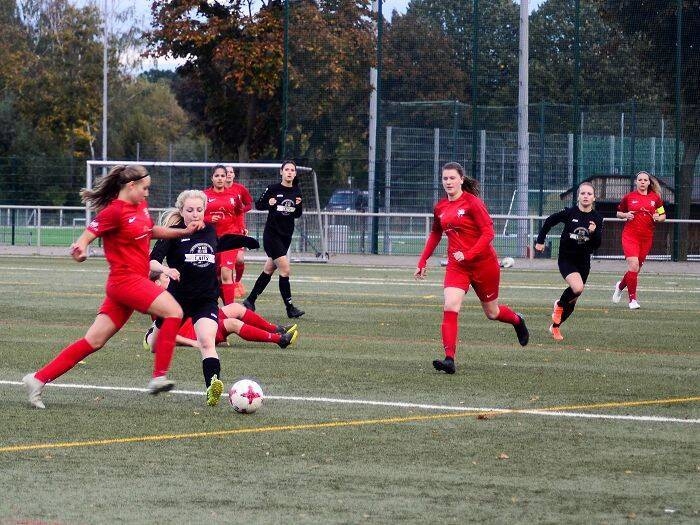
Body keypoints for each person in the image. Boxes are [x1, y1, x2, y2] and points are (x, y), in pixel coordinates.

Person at [22, 165, 202, 409]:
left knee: (93, 341)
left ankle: (37, 379)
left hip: (127, 286)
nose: (147, 193)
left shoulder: (140, 206)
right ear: (131, 186)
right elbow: (87, 236)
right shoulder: (114, 212)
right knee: (174, 311)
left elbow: (150, 231)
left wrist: (183, 232)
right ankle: (159, 376)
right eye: (145, 188)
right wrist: (80, 249)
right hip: (126, 282)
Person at [149, 189, 273, 406]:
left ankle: (212, 387)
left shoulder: (209, 230)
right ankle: (153, 336)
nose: (195, 214)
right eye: (190, 210)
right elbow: (152, 261)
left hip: (205, 300)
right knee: (154, 345)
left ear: (204, 210)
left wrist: (244, 240)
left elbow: (220, 242)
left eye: (199, 209)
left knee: (207, 342)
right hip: (176, 301)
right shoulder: (173, 233)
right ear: (181, 211)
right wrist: (166, 270)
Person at [414, 162, 529, 374]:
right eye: (445, 178)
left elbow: (488, 233)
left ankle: (517, 320)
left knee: (492, 312)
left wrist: (468, 254)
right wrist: (422, 261)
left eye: (452, 178)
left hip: (484, 264)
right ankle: (449, 359)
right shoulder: (440, 207)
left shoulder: (472, 203)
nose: (448, 182)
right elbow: (436, 234)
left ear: (461, 179)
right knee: (450, 305)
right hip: (457, 266)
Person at [144, 269, 298, 351]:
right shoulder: (159, 302)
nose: (170, 278)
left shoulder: (172, 292)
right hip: (194, 331)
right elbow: (163, 334)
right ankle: (279, 340)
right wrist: (194, 343)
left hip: (196, 318)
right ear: (157, 283)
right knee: (233, 323)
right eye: (166, 277)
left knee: (236, 308)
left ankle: (277, 329)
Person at [535, 182, 603, 341]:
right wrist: (540, 240)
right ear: (578, 196)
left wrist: (593, 233)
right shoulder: (569, 212)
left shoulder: (597, 218)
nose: (586, 196)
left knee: (572, 301)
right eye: (583, 193)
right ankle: (559, 304)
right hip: (567, 259)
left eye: (589, 194)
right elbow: (549, 221)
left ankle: (555, 327)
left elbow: (596, 245)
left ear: (594, 198)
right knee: (577, 288)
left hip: (583, 262)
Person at [242, 160, 305, 318]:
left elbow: (297, 214)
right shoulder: (273, 189)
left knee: (269, 269)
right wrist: (269, 203)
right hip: (272, 235)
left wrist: (298, 205)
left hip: (286, 236)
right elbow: (259, 204)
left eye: (292, 170)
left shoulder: (297, 191)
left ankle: (250, 300)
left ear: (295, 173)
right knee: (285, 269)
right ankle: (290, 308)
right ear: (281, 172)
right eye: (287, 169)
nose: (289, 172)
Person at [612, 171, 666, 309]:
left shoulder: (655, 198)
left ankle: (620, 286)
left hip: (646, 238)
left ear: (649, 182)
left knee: (635, 269)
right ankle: (632, 300)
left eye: (645, 180)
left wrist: (658, 218)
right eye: (640, 180)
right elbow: (618, 213)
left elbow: (663, 215)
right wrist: (625, 215)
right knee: (633, 265)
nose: (642, 182)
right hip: (630, 236)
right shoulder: (629, 197)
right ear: (636, 182)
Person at [203, 165, 243, 305]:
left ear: (226, 178)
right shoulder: (204, 196)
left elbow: (239, 212)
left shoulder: (234, 196)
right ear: (212, 178)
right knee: (215, 277)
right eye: (217, 176)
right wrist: (207, 219)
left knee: (226, 273)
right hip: (210, 240)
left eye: (222, 176)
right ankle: (214, 307)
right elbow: (196, 215)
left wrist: (241, 230)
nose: (220, 178)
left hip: (229, 239)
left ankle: (230, 309)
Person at [224, 165, 253, 298]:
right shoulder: (217, 190)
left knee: (239, 259)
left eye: (231, 172)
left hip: (237, 228)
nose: (229, 174)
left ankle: (237, 282)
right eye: (226, 172)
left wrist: (240, 210)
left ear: (234, 175)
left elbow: (249, 204)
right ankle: (225, 284)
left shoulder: (240, 189)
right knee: (223, 261)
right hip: (222, 229)